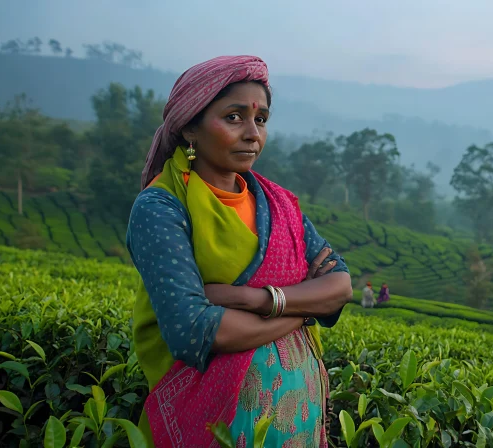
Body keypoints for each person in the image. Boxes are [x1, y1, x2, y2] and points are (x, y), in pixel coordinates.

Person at [127, 56, 352, 448]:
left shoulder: (276, 204)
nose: (252, 134)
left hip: (294, 418)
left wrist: (256, 299)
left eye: (261, 119)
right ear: (190, 126)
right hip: (214, 424)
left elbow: (339, 286)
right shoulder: (161, 208)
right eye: (234, 118)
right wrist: (301, 314)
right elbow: (194, 330)